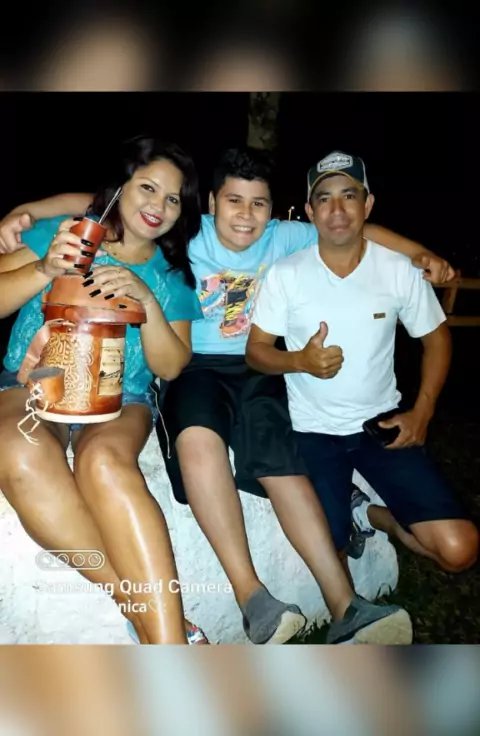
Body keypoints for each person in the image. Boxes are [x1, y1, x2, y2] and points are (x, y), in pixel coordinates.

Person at [0, 146, 455, 646]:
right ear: (212, 203)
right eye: (233, 201)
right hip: (163, 369)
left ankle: (345, 605)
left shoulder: (239, 248)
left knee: (272, 454)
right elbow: (100, 200)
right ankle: (225, 602)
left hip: (243, 367)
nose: (245, 215)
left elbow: (352, 227)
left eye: (258, 204)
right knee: (193, 440)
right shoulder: (158, 234)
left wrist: (419, 255)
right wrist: (28, 214)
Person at [0, 135, 209, 645]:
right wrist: (44, 269)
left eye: (173, 198)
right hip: (32, 382)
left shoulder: (172, 277)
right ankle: (155, 622)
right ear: (122, 186)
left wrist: (147, 302)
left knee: (104, 465)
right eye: (148, 188)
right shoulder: (68, 234)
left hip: (121, 401)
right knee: (16, 451)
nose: (158, 206)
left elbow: (172, 365)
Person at [246, 150, 479, 578]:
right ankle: (355, 517)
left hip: (380, 425)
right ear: (310, 212)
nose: (337, 209)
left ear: (367, 205)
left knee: (459, 550)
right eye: (324, 198)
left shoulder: (399, 269)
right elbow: (256, 351)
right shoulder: (286, 273)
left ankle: (371, 514)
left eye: (349, 196)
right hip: (313, 432)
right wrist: (300, 361)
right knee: (331, 559)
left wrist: (423, 412)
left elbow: (437, 338)